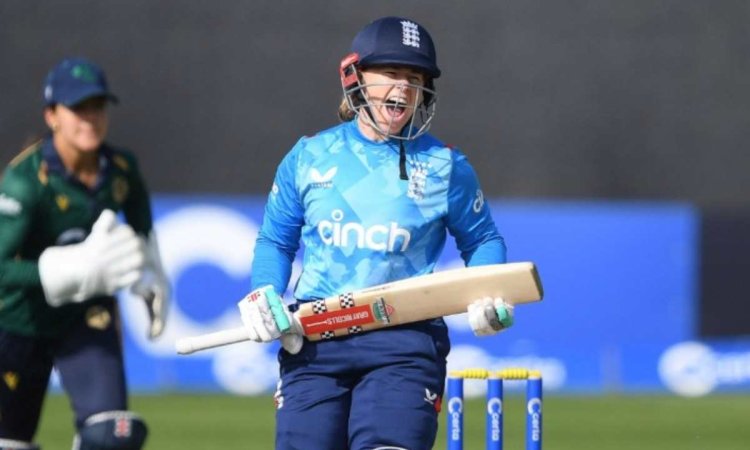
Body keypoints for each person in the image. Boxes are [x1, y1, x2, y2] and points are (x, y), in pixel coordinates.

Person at [238, 16, 513, 450]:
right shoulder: (310, 156)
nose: (403, 88)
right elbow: (276, 239)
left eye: (415, 77)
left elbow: (482, 241)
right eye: (390, 73)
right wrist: (263, 292)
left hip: (405, 339)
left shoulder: (446, 166)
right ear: (356, 77)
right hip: (314, 337)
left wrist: (485, 290)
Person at [0, 57, 170, 450]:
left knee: (111, 436)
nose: (89, 118)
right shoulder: (26, 181)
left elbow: (144, 232)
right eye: (78, 109)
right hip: (19, 323)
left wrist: (154, 278)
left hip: (86, 316)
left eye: (97, 107)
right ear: (52, 115)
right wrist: (58, 271)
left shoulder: (121, 169)